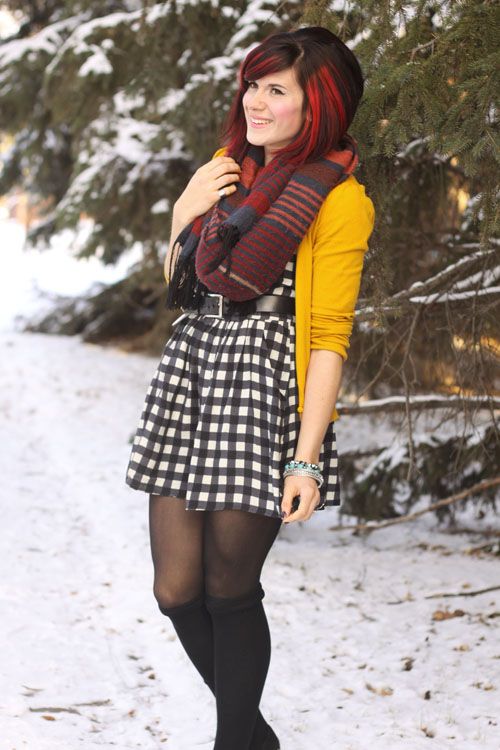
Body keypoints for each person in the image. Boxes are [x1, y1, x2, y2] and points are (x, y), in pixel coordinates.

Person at [125, 25, 375, 750]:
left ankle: (235, 741)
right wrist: (185, 209)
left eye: (276, 90)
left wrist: (306, 458)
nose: (255, 103)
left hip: (263, 385)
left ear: (318, 104)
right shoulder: (226, 171)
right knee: (176, 590)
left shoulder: (339, 200)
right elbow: (182, 287)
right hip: (194, 370)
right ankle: (255, 738)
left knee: (230, 590)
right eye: (252, 86)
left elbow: (327, 337)